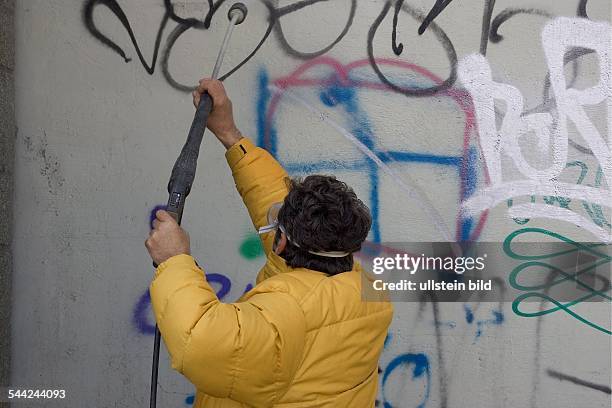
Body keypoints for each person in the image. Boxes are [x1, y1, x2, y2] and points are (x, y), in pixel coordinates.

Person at [145, 78, 393, 407]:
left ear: (280, 244)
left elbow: (200, 341)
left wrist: (174, 261)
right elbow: (275, 201)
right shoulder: (371, 292)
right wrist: (229, 133)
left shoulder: (281, 318)